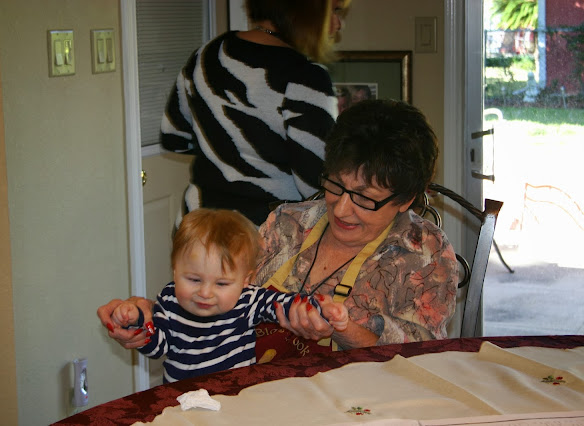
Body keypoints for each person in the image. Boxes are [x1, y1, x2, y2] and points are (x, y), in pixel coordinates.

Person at [99, 99, 458, 358]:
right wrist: (150, 317)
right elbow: (220, 295)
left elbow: (421, 360)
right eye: (335, 185)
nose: (341, 208)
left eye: (365, 198)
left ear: (405, 199)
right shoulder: (288, 222)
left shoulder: (424, 253)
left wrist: (343, 328)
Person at [103, 208, 348, 383]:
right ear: (176, 271)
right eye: (194, 279)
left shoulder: (248, 299)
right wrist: (136, 320)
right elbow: (158, 347)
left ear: (245, 280)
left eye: (221, 283)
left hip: (236, 401)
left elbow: (284, 303)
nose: (205, 292)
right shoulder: (169, 301)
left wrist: (319, 309)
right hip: (183, 404)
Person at [160, 0, 350, 225]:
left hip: (198, 224)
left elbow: (174, 138)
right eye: (334, 10)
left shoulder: (206, 55)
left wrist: (227, 152)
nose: (339, 25)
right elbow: (316, 182)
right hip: (263, 233)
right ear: (306, 9)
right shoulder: (306, 76)